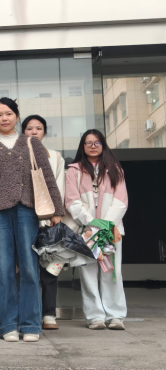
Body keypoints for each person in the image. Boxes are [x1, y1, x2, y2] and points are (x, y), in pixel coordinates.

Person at [0, 98, 63, 343]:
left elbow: (47, 176)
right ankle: (7, 325)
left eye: (8, 113)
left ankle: (31, 324)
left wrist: (57, 209)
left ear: (17, 116)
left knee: (29, 267)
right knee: (3, 268)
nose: (4, 118)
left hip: (27, 209)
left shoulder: (31, 142)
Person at [65, 130, 128, 331]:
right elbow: (71, 202)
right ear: (82, 146)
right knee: (88, 273)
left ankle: (115, 316)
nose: (93, 146)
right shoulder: (73, 171)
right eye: (88, 143)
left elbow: (121, 201)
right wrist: (92, 224)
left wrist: (104, 225)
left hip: (111, 230)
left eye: (97, 142)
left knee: (112, 272)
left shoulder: (115, 169)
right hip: (86, 231)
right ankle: (95, 317)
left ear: (103, 145)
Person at [22, 115, 65, 331]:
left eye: (38, 128)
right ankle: (28, 313)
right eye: (29, 128)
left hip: (49, 219)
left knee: (50, 268)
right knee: (26, 267)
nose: (34, 132)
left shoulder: (55, 157)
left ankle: (49, 314)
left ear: (44, 132)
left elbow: (59, 185)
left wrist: (57, 212)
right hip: (25, 217)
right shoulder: (18, 154)